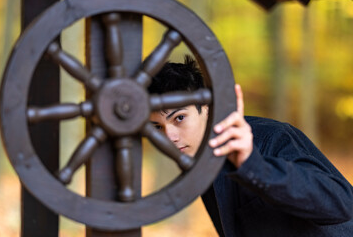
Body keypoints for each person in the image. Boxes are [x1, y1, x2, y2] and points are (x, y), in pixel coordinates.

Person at [148, 55, 353, 236]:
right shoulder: (202, 161)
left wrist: (254, 166)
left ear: (207, 108)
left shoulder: (270, 137)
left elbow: (342, 205)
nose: (169, 137)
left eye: (179, 118)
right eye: (157, 127)